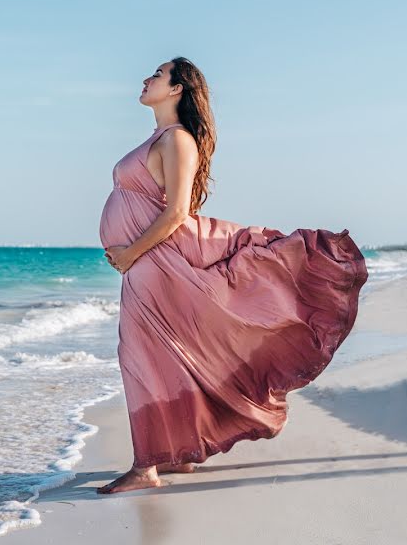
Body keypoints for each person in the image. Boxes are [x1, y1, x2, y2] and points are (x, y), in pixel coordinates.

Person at [97, 57, 368, 494]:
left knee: (140, 356)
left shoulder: (178, 139)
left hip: (155, 260)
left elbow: (177, 213)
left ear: (177, 89)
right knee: (164, 358)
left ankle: (145, 467)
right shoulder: (160, 138)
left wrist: (130, 252)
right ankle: (174, 451)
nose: (146, 78)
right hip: (149, 261)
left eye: (158, 74)